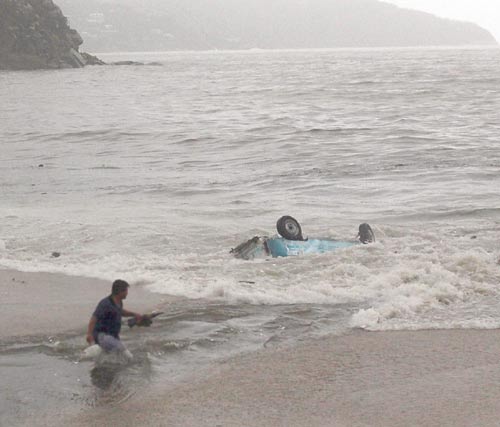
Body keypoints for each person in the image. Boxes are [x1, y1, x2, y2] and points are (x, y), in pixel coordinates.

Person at [86, 279, 143, 354]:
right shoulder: (105, 304)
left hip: (113, 335)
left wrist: (134, 314)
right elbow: (93, 319)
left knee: (115, 355)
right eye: (126, 291)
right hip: (102, 335)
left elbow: (120, 311)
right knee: (125, 354)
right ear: (120, 292)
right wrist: (89, 334)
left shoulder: (119, 301)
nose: (127, 293)